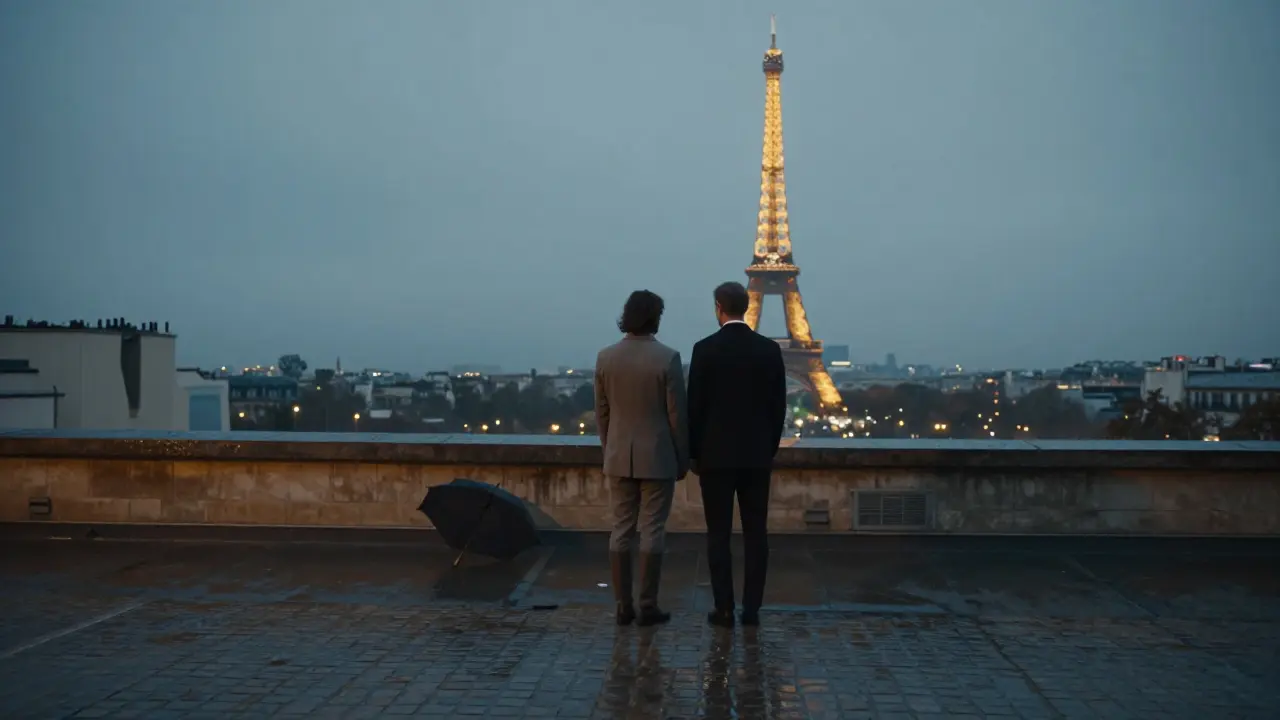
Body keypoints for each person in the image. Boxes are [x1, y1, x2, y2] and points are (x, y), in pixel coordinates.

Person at [687, 281, 787, 628]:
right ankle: (752, 609)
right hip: (756, 456)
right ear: (747, 306)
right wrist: (768, 449)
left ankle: (724, 608)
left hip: (715, 457)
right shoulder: (769, 350)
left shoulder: (704, 350)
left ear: (718, 307)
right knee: (756, 534)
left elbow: (694, 409)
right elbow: (778, 408)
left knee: (718, 535)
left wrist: (695, 454)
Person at [594, 289, 689, 626]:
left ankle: (623, 605)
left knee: (620, 530)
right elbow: (677, 416)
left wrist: (610, 449)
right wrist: (682, 458)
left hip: (619, 455)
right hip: (658, 456)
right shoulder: (668, 358)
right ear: (655, 318)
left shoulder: (605, 358)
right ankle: (647, 605)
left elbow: (602, 413)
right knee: (652, 530)